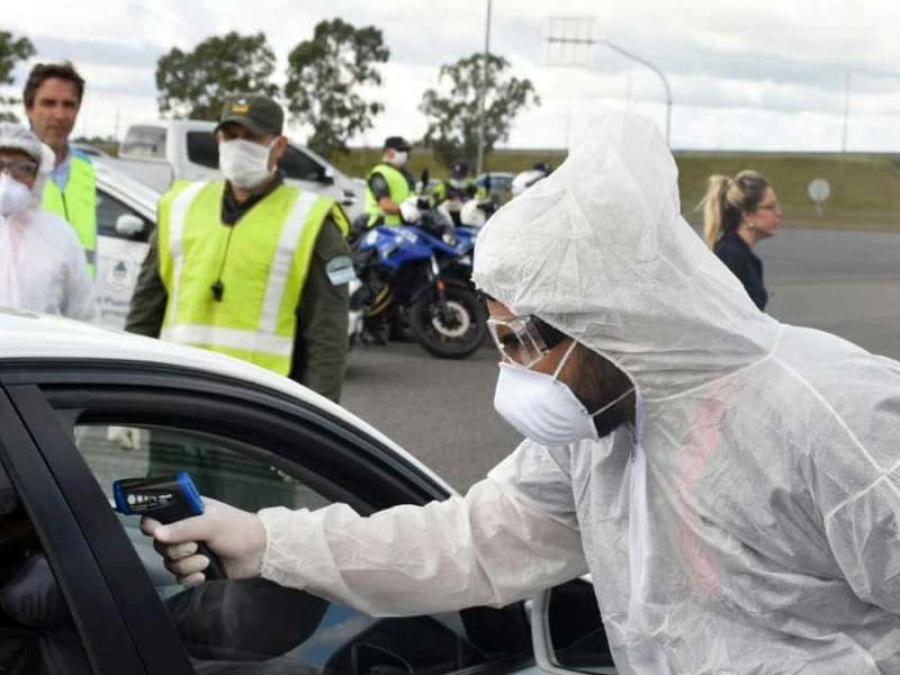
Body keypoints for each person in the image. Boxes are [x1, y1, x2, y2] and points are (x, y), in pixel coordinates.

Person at [144, 112, 900, 674]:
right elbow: (470, 540)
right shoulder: (601, 433)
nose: (514, 373)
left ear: (613, 322)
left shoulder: (835, 417)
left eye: (523, 343)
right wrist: (272, 540)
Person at [125, 94, 352, 404]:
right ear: (218, 139)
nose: (238, 146)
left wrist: (323, 418)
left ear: (279, 146)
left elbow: (328, 337)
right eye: (230, 136)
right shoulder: (180, 206)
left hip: (260, 410)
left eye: (252, 138)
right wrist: (128, 392)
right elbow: (145, 310)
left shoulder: (313, 222)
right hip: (178, 400)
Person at [0, 123, 96, 321]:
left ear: (38, 176)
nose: (6, 178)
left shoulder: (60, 236)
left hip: (37, 350)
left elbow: (83, 316)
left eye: (21, 168)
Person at [23, 62, 97, 276]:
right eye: (48, 103)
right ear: (29, 108)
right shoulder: (8, 167)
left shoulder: (85, 168)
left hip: (74, 302)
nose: (59, 115)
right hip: (20, 306)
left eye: (68, 105)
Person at [701, 170, 781, 310]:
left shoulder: (739, 254)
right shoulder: (730, 256)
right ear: (747, 215)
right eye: (770, 207)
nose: (778, 213)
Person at [363, 136, 415, 227]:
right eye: (402, 150)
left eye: (407, 151)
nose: (406, 154)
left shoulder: (405, 175)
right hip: (381, 229)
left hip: (401, 229)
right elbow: (385, 205)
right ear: (389, 153)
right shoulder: (380, 174)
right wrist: (407, 210)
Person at [432, 160, 479, 226]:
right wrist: (444, 199)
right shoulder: (443, 186)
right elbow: (433, 203)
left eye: (461, 176)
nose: (458, 179)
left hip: (469, 222)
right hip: (447, 223)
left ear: (466, 174)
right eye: (455, 176)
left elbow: (479, 201)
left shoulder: (472, 187)